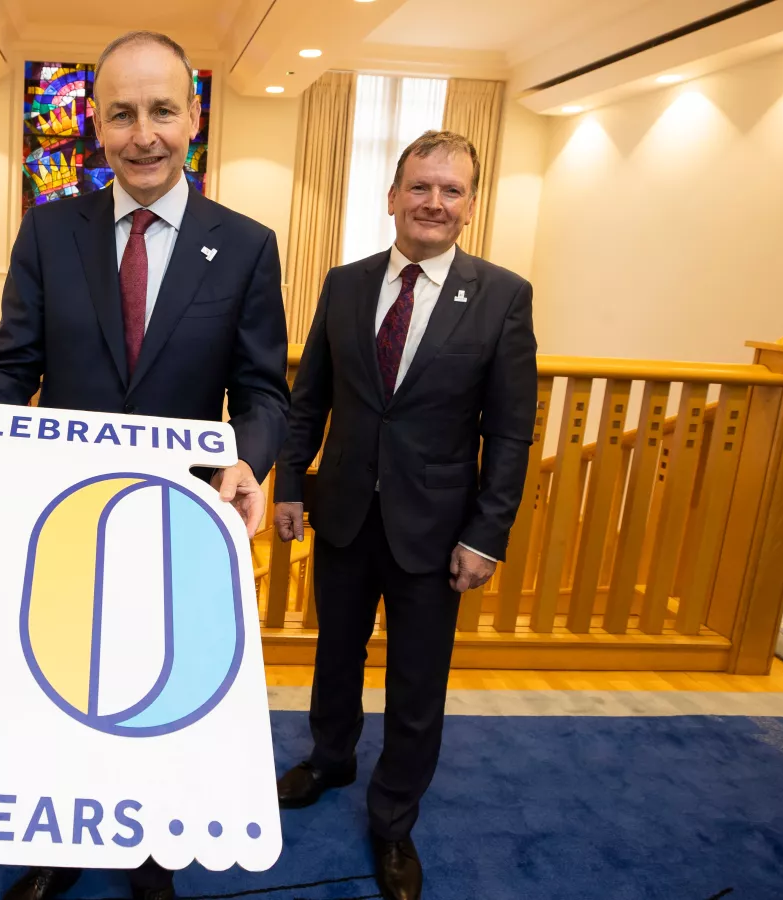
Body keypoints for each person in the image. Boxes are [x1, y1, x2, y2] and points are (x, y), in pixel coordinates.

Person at [0, 29, 291, 900]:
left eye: (162, 111)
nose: (144, 135)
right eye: (123, 114)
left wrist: (249, 461)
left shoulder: (246, 245)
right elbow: (9, 366)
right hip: (63, 516)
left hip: (182, 517)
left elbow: (262, 390)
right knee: (62, 679)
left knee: (159, 689)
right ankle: (61, 839)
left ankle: (150, 847)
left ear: (193, 118)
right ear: (96, 125)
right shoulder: (47, 232)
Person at [271, 131, 537, 900]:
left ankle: (393, 817)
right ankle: (330, 759)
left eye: (452, 190)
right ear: (392, 197)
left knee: (418, 679)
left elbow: (509, 431)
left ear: (471, 206)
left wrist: (486, 534)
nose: (434, 202)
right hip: (344, 513)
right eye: (420, 186)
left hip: (437, 529)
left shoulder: (503, 296)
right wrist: (290, 485)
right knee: (336, 654)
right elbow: (309, 399)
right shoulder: (345, 284)